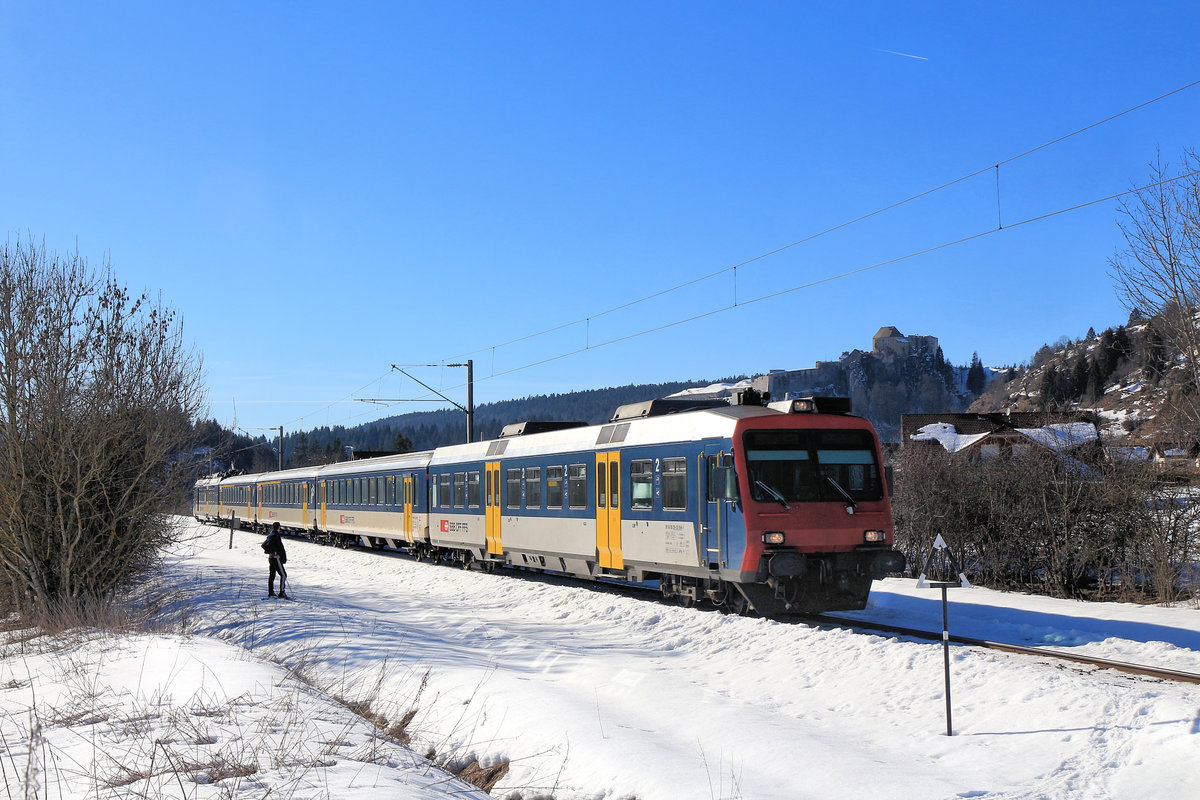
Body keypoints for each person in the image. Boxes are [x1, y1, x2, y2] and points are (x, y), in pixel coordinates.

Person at [262, 522, 289, 598]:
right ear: (278, 528)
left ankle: (271, 592)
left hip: (271, 558)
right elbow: (279, 547)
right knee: (283, 575)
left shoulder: (270, 535)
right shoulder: (276, 536)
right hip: (276, 558)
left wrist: (271, 552)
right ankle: (282, 592)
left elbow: (264, 545)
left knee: (272, 575)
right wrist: (276, 553)